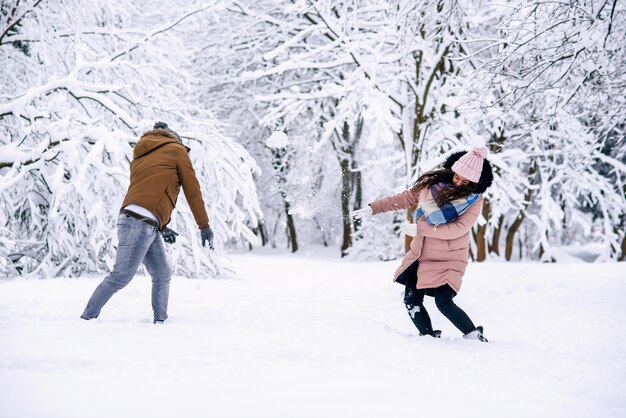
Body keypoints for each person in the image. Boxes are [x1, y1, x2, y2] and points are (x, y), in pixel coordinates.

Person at [352, 147, 493, 341]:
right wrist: (373, 209)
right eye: (457, 177)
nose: (458, 182)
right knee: (411, 300)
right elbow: (404, 198)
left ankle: (474, 335)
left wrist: (420, 229)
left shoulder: (474, 200)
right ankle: (427, 339)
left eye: (465, 181)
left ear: (474, 182)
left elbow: (458, 228)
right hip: (422, 254)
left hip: (450, 258)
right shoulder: (430, 187)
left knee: (444, 302)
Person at [81, 122, 214, 324]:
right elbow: (192, 191)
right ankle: (86, 318)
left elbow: (149, 193)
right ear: (174, 139)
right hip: (141, 223)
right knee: (121, 276)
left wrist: (162, 225)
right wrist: (204, 226)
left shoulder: (141, 156)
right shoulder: (177, 151)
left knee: (162, 273)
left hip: (136, 219)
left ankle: (160, 321)